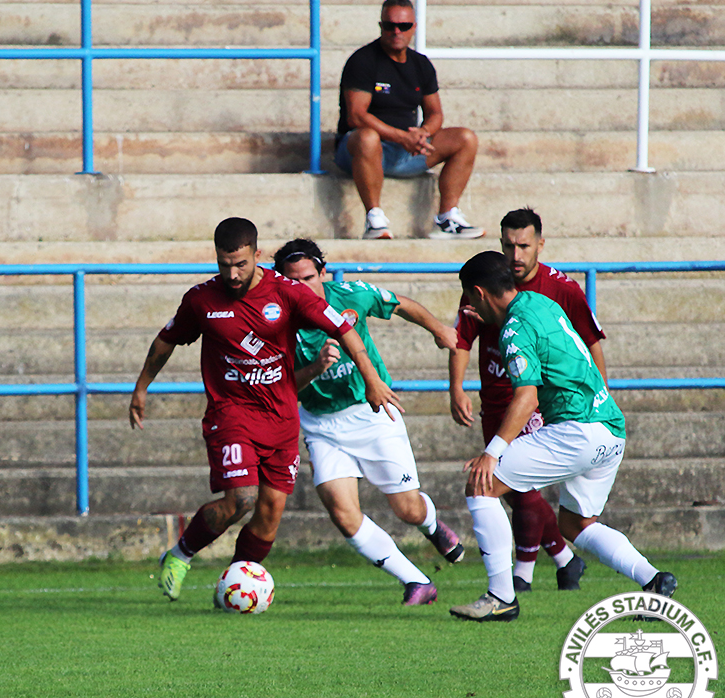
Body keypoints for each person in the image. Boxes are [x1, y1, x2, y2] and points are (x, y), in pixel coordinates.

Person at [130, 217, 401, 603]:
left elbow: (342, 328)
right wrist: (141, 387)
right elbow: (165, 341)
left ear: (257, 255)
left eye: (240, 264)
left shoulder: (287, 292)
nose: (232, 274)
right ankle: (180, 555)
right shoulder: (202, 300)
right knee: (240, 499)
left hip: (281, 416)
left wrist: (372, 378)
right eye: (224, 264)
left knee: (270, 512)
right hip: (232, 413)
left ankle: (233, 585)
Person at [449, 251, 675, 622]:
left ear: (479, 293)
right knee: (576, 525)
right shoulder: (541, 302)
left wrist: (492, 453)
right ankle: (653, 580)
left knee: (481, 484)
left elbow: (527, 398)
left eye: (470, 298)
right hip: (610, 428)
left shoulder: (514, 330)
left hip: (576, 430)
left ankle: (501, 597)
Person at [274, 239, 464, 606]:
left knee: (408, 510)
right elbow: (282, 389)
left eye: (309, 278)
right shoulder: (275, 322)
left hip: (371, 411)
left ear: (322, 273)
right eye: (293, 281)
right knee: (343, 514)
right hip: (321, 424)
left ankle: (430, 524)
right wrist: (315, 368)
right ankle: (416, 581)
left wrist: (438, 329)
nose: (302, 287)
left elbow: (400, 304)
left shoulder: (350, 295)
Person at [450, 208, 600, 594]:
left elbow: (590, 342)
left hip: (532, 401)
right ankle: (564, 559)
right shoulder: (485, 284)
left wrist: (598, 394)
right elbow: (462, 338)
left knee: (504, 485)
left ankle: (519, 577)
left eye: (523, 246)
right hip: (495, 400)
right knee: (515, 493)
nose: (515, 255)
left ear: (540, 245)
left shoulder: (556, 291)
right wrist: (456, 388)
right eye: (508, 245)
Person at [335, 0, 483, 242]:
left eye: (403, 26)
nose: (396, 31)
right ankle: (374, 219)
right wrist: (401, 137)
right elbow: (356, 116)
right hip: (359, 151)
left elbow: (435, 113)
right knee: (367, 137)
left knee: (465, 138)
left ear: (413, 27)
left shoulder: (421, 64)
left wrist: (423, 133)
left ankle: (447, 218)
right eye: (389, 25)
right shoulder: (363, 61)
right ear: (380, 26)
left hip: (405, 150)